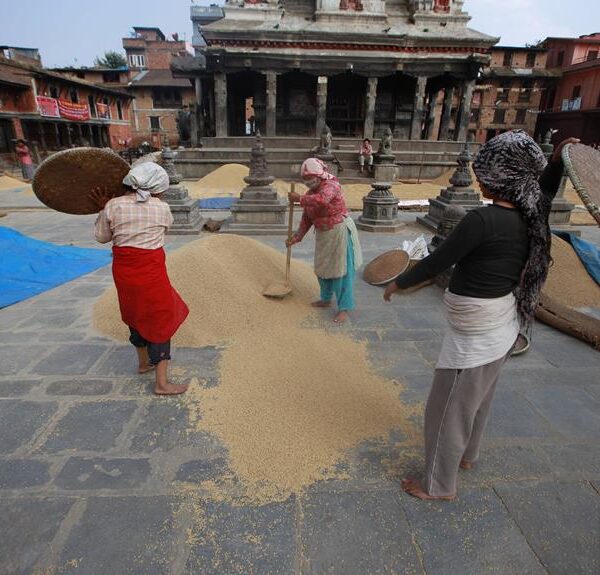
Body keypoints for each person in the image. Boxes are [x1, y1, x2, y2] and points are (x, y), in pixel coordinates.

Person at [383, 130, 578, 500]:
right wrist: (555, 165)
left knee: (447, 411)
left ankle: (437, 485)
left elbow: (438, 261)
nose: (479, 180)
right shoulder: (533, 211)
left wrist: (399, 283)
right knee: (478, 398)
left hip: (477, 331)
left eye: (484, 174)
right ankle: (467, 456)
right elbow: (546, 191)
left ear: (499, 179)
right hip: (502, 322)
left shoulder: (480, 220)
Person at [90, 163, 190, 395]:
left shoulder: (112, 205)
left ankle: (144, 363)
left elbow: (101, 238)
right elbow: (165, 230)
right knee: (160, 317)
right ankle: (162, 383)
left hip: (124, 272)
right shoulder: (162, 208)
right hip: (151, 271)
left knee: (134, 312)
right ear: (157, 188)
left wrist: (103, 209)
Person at [287, 157, 363, 324]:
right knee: (323, 269)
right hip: (323, 235)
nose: (307, 183)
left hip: (339, 233)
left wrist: (299, 198)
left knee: (341, 271)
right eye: (305, 180)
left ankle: (344, 308)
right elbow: (307, 219)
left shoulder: (332, 185)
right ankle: (326, 298)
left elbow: (323, 199)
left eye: (310, 179)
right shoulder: (309, 194)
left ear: (319, 175)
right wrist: (296, 237)